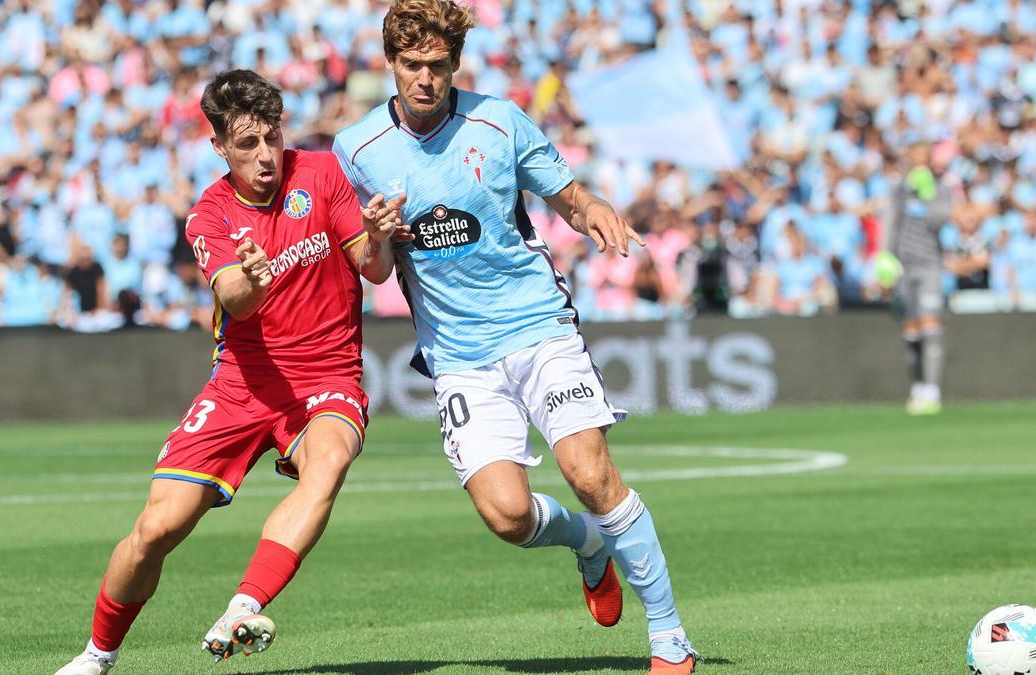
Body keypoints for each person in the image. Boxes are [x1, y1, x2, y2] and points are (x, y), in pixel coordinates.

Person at [332, 1, 697, 672]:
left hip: (536, 325)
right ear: (390, 64)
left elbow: (572, 198)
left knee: (589, 471)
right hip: (458, 356)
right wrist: (376, 232)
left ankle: (671, 637)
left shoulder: (498, 122)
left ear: (455, 66)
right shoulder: (355, 148)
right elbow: (376, 270)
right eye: (412, 65)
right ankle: (589, 544)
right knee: (506, 515)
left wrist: (598, 212)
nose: (424, 80)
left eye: (437, 66)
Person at [55, 69, 406, 675]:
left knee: (327, 465)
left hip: (328, 374)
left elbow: (373, 270)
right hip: (242, 383)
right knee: (155, 529)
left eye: (272, 137)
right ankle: (96, 656)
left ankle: (244, 606)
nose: (266, 156)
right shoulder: (209, 216)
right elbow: (235, 298)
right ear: (219, 147)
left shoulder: (322, 173)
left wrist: (378, 236)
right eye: (247, 144)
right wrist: (252, 275)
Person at [881, 140, 952, 415]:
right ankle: (917, 388)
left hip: (929, 265)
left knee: (931, 327)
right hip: (904, 268)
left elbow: (938, 221)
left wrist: (928, 194)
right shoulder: (898, 189)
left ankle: (933, 391)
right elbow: (890, 222)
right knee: (910, 333)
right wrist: (884, 256)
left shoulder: (940, 189)